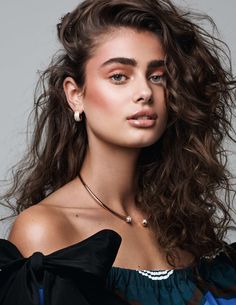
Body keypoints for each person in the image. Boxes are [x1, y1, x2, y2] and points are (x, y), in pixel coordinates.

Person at [0, 0, 236, 304]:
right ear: (75, 95)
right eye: (119, 76)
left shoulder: (184, 221)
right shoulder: (45, 230)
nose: (145, 92)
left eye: (157, 76)